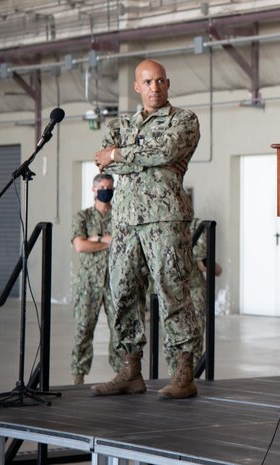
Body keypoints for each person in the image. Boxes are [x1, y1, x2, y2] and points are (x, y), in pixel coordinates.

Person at [91, 58, 202, 399]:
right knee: (121, 290)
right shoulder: (122, 123)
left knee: (172, 290)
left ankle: (183, 373)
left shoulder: (183, 120)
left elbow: (167, 149)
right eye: (148, 82)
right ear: (137, 87)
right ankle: (129, 370)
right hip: (124, 221)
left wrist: (120, 155)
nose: (155, 87)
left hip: (164, 218)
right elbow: (101, 159)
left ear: (167, 84)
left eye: (160, 81)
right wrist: (137, 156)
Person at [70, 173, 120, 385]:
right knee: (83, 328)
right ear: (93, 190)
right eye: (101, 187)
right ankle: (78, 376)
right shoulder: (83, 217)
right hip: (88, 282)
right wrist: (105, 240)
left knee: (119, 329)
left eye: (109, 187)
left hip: (114, 281)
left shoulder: (119, 216)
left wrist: (94, 240)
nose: (105, 191)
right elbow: (80, 246)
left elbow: (123, 243)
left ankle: (121, 375)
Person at [189, 218, 222, 367]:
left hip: (195, 289)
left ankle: (192, 372)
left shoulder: (197, 224)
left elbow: (202, 259)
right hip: (177, 289)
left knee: (195, 332)